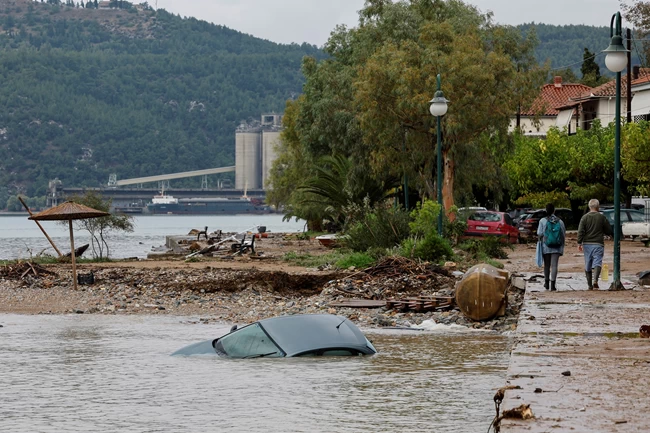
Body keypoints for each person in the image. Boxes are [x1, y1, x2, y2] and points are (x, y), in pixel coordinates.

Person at [577, 199, 613, 289]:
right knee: (597, 261)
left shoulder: (584, 217)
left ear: (589, 207)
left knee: (588, 263)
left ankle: (589, 285)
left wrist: (579, 242)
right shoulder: (602, 217)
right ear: (598, 207)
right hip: (598, 243)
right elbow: (608, 230)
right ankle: (595, 280)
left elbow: (580, 231)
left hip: (587, 243)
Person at [537, 203, 566, 291]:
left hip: (546, 245)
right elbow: (563, 234)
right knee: (554, 266)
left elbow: (539, 233)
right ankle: (553, 285)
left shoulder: (542, 221)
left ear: (546, 210)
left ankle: (546, 283)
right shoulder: (560, 221)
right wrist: (562, 246)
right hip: (557, 246)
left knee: (547, 265)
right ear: (554, 210)